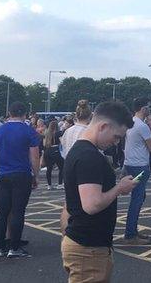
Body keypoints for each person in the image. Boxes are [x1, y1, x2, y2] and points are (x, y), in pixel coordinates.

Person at [61, 101, 138, 282]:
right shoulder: (90, 157)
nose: (115, 143)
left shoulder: (79, 151)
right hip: (88, 247)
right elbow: (92, 204)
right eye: (116, 136)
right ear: (103, 126)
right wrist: (119, 188)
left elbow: (70, 202)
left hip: (82, 243)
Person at [0, 101, 41, 258]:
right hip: (21, 174)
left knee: (2, 212)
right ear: (24, 114)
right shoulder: (29, 131)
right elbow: (34, 155)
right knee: (18, 211)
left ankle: (0, 247)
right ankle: (14, 247)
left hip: (3, 174)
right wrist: (36, 175)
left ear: (10, 113)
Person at [117, 97, 151, 245]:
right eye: (148, 107)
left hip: (129, 163)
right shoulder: (143, 126)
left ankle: (132, 230)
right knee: (137, 200)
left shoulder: (131, 123)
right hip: (140, 165)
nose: (150, 110)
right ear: (143, 109)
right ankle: (130, 234)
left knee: (138, 198)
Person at [59, 100, 93, 234]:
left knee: (68, 205)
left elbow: (63, 151)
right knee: (86, 205)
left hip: (68, 167)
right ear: (90, 116)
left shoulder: (68, 131)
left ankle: (65, 235)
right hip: (84, 170)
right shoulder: (88, 131)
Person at [42, 120, 64, 190]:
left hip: (48, 151)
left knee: (49, 169)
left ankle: (49, 185)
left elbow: (44, 144)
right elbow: (62, 142)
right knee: (61, 167)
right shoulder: (58, 133)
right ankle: (60, 183)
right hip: (56, 151)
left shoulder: (46, 133)